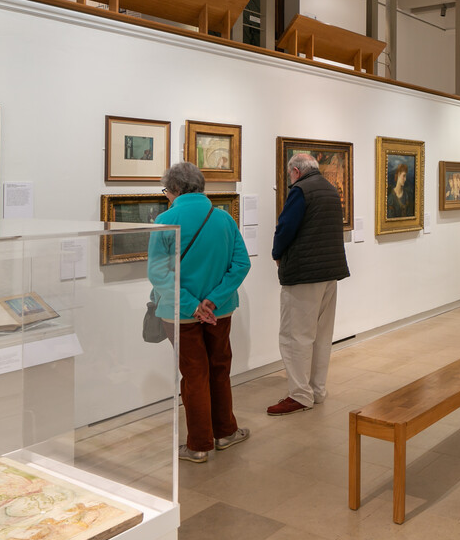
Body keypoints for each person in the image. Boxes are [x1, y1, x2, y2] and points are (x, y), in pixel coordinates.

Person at [148, 162, 251, 463]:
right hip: (220, 312)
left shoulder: (166, 220)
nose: (166, 195)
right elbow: (241, 264)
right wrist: (213, 301)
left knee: (194, 375)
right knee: (219, 369)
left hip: (179, 314)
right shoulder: (224, 219)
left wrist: (192, 304)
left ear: (176, 189)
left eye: (166, 190)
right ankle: (225, 432)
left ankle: (199, 444)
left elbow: (158, 273)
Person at [269, 153, 350, 416]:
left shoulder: (300, 190)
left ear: (295, 170)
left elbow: (285, 228)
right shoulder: (329, 189)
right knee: (321, 336)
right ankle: (317, 389)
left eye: (290, 174)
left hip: (304, 273)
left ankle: (300, 395)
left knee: (295, 336)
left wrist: (277, 254)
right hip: (329, 272)